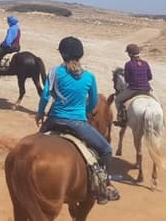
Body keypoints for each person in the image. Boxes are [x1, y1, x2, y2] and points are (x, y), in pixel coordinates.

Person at [36, 36, 119, 204]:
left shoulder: (54, 72)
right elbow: (94, 102)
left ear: (62, 54)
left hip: (53, 121)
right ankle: (106, 185)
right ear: (80, 55)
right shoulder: (89, 77)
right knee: (105, 149)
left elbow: (45, 96)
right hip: (78, 123)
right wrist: (84, 111)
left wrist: (39, 113)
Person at [113, 44, 154, 127]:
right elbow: (150, 77)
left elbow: (127, 80)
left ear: (130, 54)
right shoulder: (145, 63)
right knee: (158, 103)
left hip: (133, 90)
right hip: (147, 90)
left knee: (117, 100)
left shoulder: (128, 64)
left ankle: (121, 119)